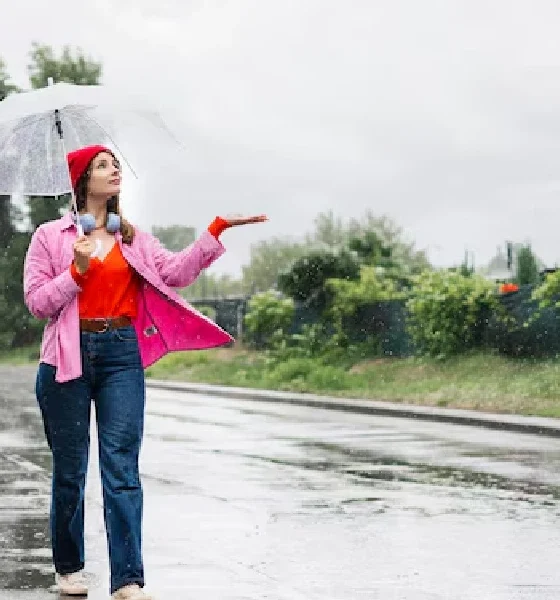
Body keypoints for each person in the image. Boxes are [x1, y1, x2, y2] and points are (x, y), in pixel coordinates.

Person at [23, 145, 266, 599]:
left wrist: (216, 229)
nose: (113, 170)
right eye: (102, 165)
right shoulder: (50, 237)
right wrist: (75, 272)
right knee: (71, 471)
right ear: (82, 180)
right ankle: (69, 568)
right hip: (65, 360)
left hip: (121, 355)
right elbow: (37, 303)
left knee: (122, 469)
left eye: (115, 164)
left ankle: (128, 579)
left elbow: (175, 273)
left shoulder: (130, 237)